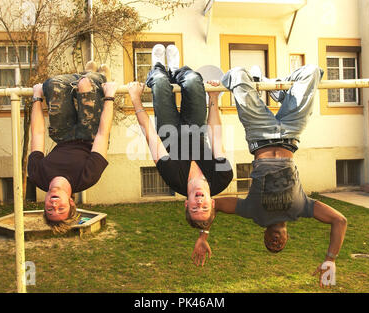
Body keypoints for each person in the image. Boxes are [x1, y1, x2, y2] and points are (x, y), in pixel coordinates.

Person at [191, 64, 347, 288]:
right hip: (291, 133)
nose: (275, 243)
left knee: (236, 75)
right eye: (279, 245)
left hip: (259, 134)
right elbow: (340, 220)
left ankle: (273, 89)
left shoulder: (254, 213)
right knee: (311, 71)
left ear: (264, 235)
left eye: (270, 245)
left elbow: (213, 205)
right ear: (287, 237)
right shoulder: (302, 209)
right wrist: (330, 259)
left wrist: (203, 235)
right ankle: (279, 93)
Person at [127, 44, 233, 233]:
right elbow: (216, 136)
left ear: (186, 204)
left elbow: (151, 136)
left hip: (169, 133)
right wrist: (214, 99)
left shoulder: (174, 180)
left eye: (194, 207)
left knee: (160, 83)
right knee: (193, 80)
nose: (199, 202)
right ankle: (176, 70)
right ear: (213, 203)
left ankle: (158, 66)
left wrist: (135, 99)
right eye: (204, 207)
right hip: (196, 128)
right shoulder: (222, 178)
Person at [29, 61, 117, 234]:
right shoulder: (87, 178)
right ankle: (95, 77)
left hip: (63, 137)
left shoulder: (37, 175)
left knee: (52, 85)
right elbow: (102, 134)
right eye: (60, 209)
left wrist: (37, 97)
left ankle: (88, 74)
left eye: (49, 210)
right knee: (86, 85)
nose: (54, 205)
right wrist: (109, 97)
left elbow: (37, 134)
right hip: (90, 136)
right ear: (71, 202)